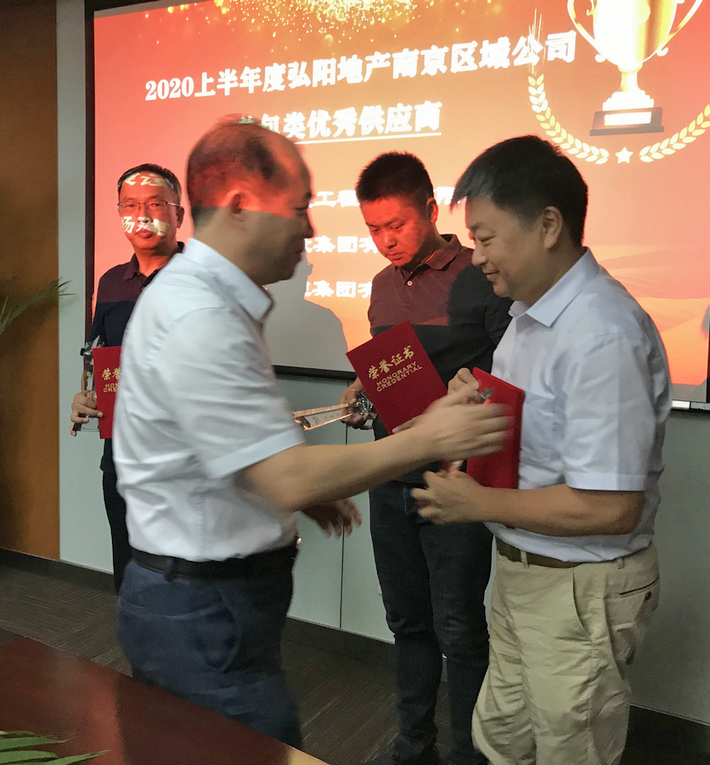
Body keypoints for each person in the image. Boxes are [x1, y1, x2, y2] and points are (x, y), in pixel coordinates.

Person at [110, 118, 510, 750]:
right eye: (298, 208)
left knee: (457, 627)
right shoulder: (200, 314)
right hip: (203, 611)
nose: (310, 230)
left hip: (213, 603)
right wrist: (429, 437)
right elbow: (286, 475)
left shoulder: (210, 303)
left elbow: (229, 448)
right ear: (241, 207)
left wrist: (290, 488)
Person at [412, 135, 672, 765]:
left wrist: (477, 504)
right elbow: (534, 442)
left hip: (577, 589)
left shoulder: (601, 333)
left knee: (568, 751)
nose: (477, 258)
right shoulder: (527, 318)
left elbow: (611, 507)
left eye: (486, 238)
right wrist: (471, 406)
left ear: (549, 225)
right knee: (503, 740)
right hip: (524, 571)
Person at [337, 152, 512, 765]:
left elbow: (510, 374)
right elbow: (391, 371)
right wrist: (363, 390)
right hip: (390, 473)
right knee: (406, 622)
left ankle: (468, 753)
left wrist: (475, 388)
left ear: (432, 210)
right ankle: (414, 745)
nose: (386, 241)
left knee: (459, 628)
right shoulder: (381, 287)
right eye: (373, 229)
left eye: (397, 225)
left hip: (455, 482)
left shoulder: (479, 276)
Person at [68, 163, 185, 593]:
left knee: (183, 582)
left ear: (178, 214)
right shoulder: (112, 282)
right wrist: (85, 396)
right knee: (130, 572)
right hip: (121, 457)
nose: (143, 216)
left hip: (184, 462)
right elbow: (97, 357)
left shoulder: (205, 280)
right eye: (130, 206)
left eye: (155, 204)